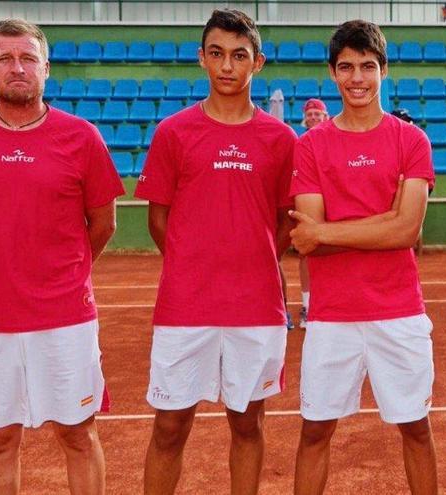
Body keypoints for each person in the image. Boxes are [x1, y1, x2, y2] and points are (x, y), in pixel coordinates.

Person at [0, 18, 124, 495]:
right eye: (5, 58)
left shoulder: (82, 136)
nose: (17, 67)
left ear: (46, 67)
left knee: (78, 433)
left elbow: (104, 223)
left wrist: (61, 271)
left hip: (65, 317)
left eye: (28, 58)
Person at [135, 9, 296, 494]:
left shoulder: (281, 138)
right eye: (218, 54)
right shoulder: (173, 132)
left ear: (258, 63)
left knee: (248, 426)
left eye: (239, 55)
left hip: (256, 307)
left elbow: (285, 222)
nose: (228, 66)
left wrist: (253, 258)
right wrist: (194, 262)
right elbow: (158, 220)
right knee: (168, 428)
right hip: (186, 307)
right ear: (202, 59)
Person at [288, 20, 437, 495]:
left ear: (384, 71)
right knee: (314, 431)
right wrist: (384, 222)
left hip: (399, 312)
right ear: (333, 73)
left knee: (415, 427)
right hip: (332, 316)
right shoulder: (309, 146)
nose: (358, 77)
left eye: (368, 66)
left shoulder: (411, 141)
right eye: (347, 67)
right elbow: (307, 240)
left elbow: (406, 231)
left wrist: (334, 230)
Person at [292, 98, 330, 329]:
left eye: (318, 113)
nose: (314, 117)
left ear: (325, 116)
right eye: (311, 114)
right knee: (306, 253)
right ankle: (308, 305)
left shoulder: (333, 140)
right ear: (305, 118)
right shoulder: (298, 143)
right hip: (305, 200)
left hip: (332, 203)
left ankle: (329, 304)